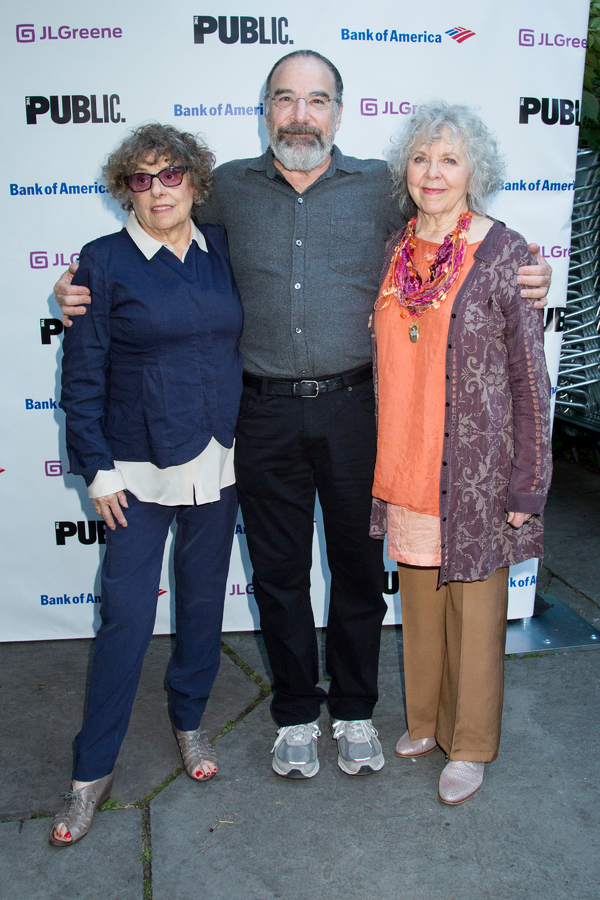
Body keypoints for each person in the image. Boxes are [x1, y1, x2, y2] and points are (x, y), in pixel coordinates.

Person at [54, 51, 551, 781]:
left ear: (339, 113)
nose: (300, 115)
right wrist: (81, 282)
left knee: (355, 570)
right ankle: (294, 711)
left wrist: (525, 268)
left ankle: (353, 709)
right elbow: (159, 233)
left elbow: (454, 218)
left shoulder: (382, 188)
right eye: (285, 99)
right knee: (280, 574)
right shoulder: (223, 189)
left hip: (357, 411)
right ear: (266, 109)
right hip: (259, 415)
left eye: (316, 100)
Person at [50, 124, 243, 847]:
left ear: (195, 181)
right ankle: (89, 774)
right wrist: (95, 466)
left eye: (171, 176)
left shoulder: (222, 248)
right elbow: (81, 377)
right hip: (133, 472)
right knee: (126, 621)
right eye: (142, 179)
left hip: (217, 462)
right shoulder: (101, 264)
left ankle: (189, 722)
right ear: (124, 187)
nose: (158, 191)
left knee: (200, 607)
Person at [370, 101, 552, 804]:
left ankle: (469, 743)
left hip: (476, 471)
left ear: (475, 170)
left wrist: (528, 482)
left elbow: (529, 380)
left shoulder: (505, 251)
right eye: (421, 158)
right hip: (406, 463)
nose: (433, 172)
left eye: (449, 158)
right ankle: (424, 720)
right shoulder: (395, 246)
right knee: (419, 597)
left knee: (475, 608)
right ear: (405, 172)